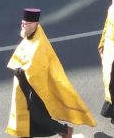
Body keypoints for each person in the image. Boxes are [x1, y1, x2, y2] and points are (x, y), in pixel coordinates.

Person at [6, 8, 95, 138]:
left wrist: (19, 70)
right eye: (22, 23)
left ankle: (65, 130)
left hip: (35, 87)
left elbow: (35, 68)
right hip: (26, 84)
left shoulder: (38, 44)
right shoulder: (30, 37)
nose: (22, 25)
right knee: (29, 115)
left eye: (25, 23)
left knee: (37, 116)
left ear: (34, 25)